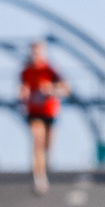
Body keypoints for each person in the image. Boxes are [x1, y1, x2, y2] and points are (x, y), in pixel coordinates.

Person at [20, 40, 64, 194]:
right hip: (34, 112)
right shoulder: (26, 71)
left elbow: (65, 88)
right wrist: (23, 94)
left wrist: (51, 90)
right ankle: (39, 178)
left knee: (47, 145)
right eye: (33, 52)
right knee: (37, 141)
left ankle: (46, 163)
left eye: (38, 52)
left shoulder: (51, 70)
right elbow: (22, 88)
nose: (35, 55)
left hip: (50, 111)